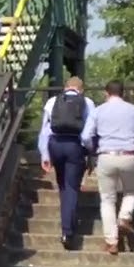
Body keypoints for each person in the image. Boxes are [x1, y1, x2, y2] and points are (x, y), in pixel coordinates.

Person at [82, 81, 134, 255]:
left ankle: (111, 242)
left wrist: (92, 150)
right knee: (131, 191)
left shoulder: (98, 111)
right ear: (123, 93)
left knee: (107, 200)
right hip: (129, 156)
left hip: (106, 156)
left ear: (106, 93)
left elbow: (85, 136)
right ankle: (124, 216)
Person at [38, 77, 97, 249]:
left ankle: (68, 222)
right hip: (74, 146)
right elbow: (88, 134)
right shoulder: (87, 103)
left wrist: (44, 155)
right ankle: (67, 231)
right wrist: (91, 152)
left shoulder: (52, 102)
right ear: (81, 89)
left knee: (63, 185)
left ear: (65, 88)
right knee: (72, 187)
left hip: (55, 145)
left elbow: (44, 131)